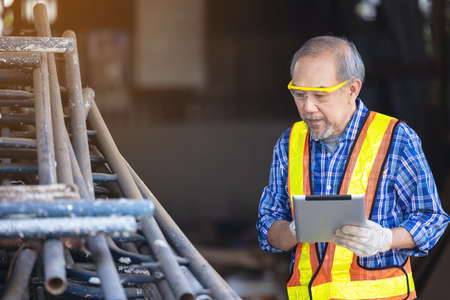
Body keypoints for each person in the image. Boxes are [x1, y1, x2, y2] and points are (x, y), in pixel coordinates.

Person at [256, 36, 449, 300]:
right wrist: (291, 231)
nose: (308, 107)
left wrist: (385, 239)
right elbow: (267, 226)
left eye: (320, 95)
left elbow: (432, 218)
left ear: (352, 89)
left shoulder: (395, 138)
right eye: (299, 94)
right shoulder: (289, 143)